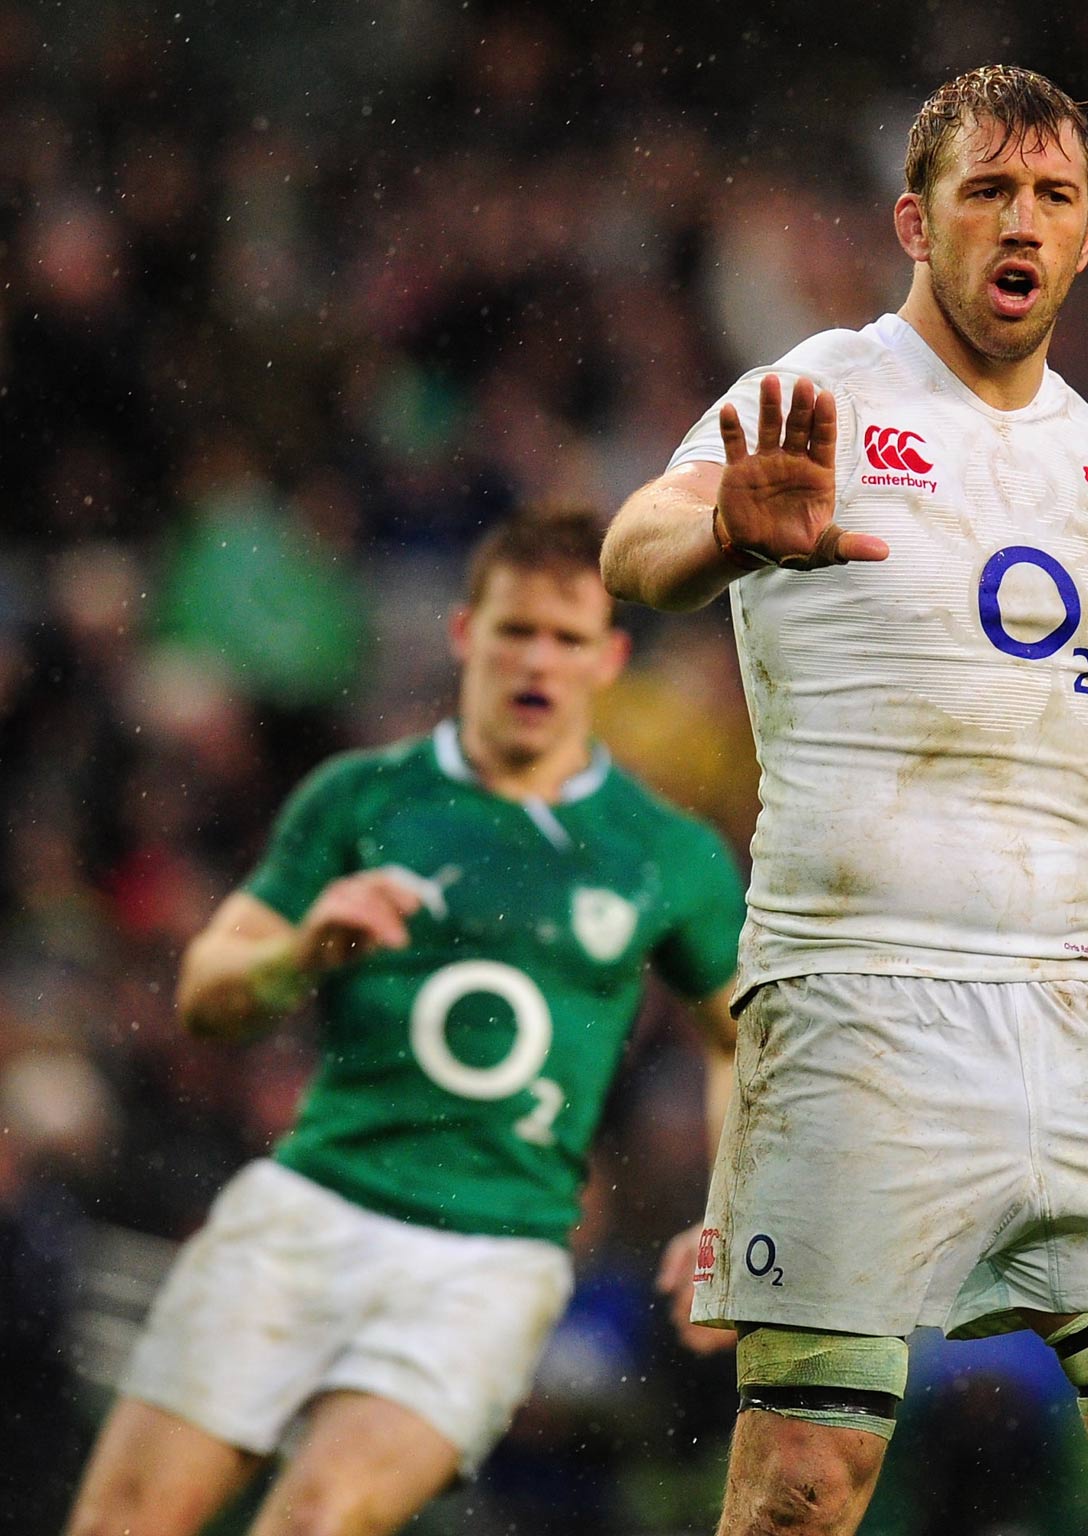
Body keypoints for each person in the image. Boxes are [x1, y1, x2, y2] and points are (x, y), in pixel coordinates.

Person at [603, 63, 1088, 1536]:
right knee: (803, 1487)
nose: (1019, 221)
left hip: (1069, 1020)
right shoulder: (823, 397)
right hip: (854, 1006)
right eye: (987, 189)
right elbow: (632, 550)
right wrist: (727, 532)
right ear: (915, 221)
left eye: (1051, 195)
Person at [65, 509, 747, 1536]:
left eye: (566, 640)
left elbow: (744, 1041)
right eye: (516, 630)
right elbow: (207, 990)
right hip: (306, 1209)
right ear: (465, 633)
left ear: (607, 659)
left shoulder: (664, 853)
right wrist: (300, 954)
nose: (538, 662)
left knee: (315, 1522)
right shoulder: (362, 798)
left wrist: (734, 1215)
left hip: (491, 1253)